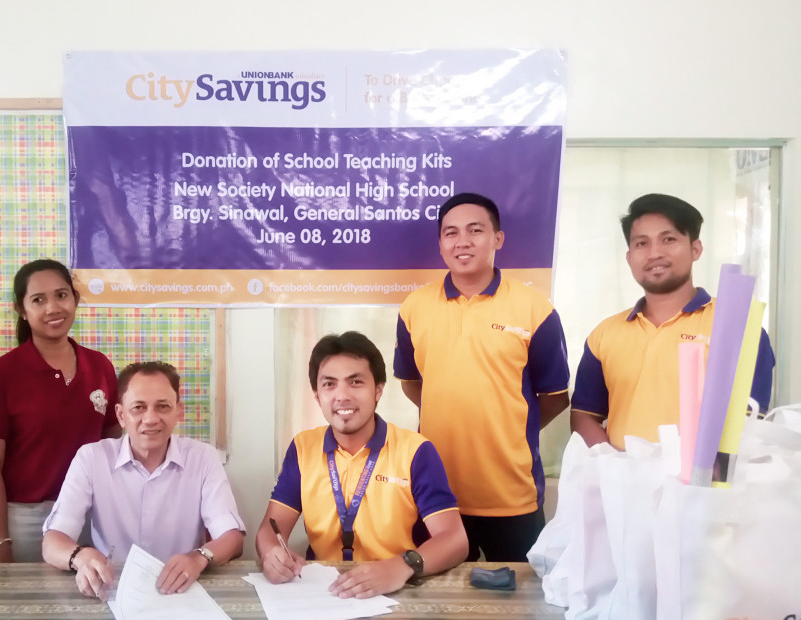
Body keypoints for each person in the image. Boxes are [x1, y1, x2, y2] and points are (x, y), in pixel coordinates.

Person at [394, 193, 570, 563]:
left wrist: (509, 425)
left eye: (475, 230)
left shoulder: (535, 309)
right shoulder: (414, 308)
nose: (462, 241)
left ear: (497, 239)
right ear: (441, 244)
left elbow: (555, 396)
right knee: (438, 595)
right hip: (437, 495)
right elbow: (412, 382)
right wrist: (449, 408)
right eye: (451, 233)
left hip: (512, 496)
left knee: (522, 594)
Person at [257, 332, 468, 598]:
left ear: (378, 389)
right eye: (329, 384)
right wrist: (271, 554)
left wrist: (401, 566)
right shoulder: (303, 447)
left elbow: (455, 540)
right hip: (326, 593)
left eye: (355, 382)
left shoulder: (415, 451)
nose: (342, 396)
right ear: (317, 395)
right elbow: (271, 527)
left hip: (399, 589)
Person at [570, 193, 775, 449]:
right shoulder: (605, 334)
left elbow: (749, 422)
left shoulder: (737, 326)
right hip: (622, 473)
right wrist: (610, 463)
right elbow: (584, 415)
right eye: (641, 243)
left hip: (703, 474)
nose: (655, 253)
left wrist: (697, 470)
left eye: (668, 239)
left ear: (695, 249)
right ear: (629, 257)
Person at [42, 361, 245, 597]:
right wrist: (80, 556)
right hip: (112, 590)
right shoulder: (92, 458)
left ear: (177, 412)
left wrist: (198, 558)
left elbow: (232, 537)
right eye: (138, 407)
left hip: (182, 591)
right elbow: (53, 541)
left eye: (163, 407)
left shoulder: (203, 458)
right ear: (121, 415)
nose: (150, 419)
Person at [0, 259, 121, 563]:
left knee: (93, 592)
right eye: (38, 300)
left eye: (61, 295)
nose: (53, 308)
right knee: (24, 595)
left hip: (91, 513)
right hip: (26, 521)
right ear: (21, 309)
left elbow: (112, 449)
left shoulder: (100, 366)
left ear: (75, 299)